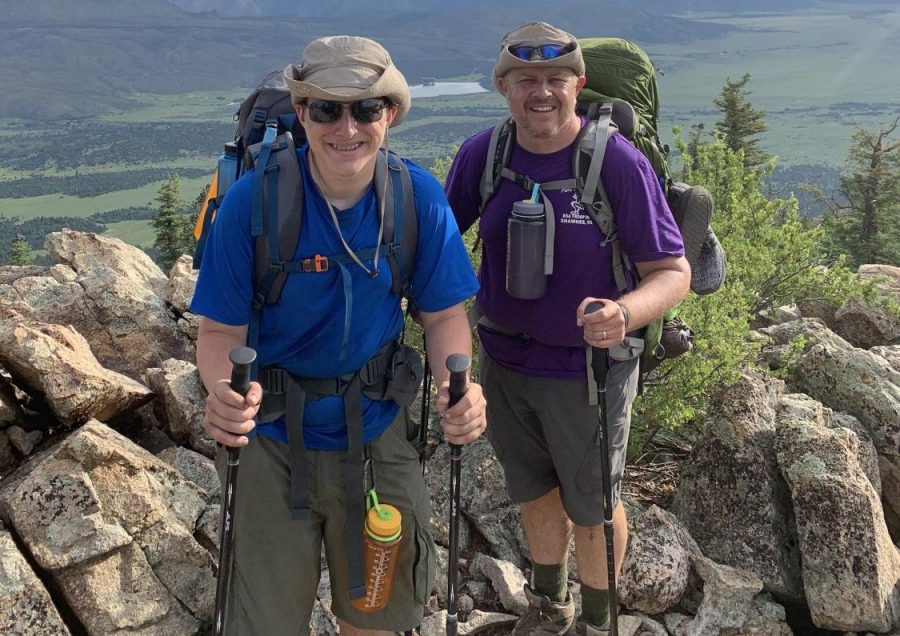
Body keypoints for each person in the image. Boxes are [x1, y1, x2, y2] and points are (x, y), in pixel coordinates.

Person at [192, 35, 487, 636]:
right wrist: (224, 392)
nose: (345, 127)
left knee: (376, 621)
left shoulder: (416, 198)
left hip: (376, 431)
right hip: (271, 439)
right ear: (302, 114)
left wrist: (460, 384)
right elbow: (220, 329)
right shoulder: (254, 201)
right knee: (267, 624)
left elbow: (443, 315)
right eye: (326, 109)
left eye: (365, 109)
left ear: (390, 115)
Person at [444, 22, 691, 636]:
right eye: (526, 79)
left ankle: (599, 622)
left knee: (595, 507)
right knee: (532, 492)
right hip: (503, 360)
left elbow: (672, 270)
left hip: (589, 371)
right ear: (503, 87)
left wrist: (626, 314)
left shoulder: (616, 162)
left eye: (556, 79)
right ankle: (551, 608)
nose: (542, 93)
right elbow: (439, 247)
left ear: (578, 85)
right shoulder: (486, 154)